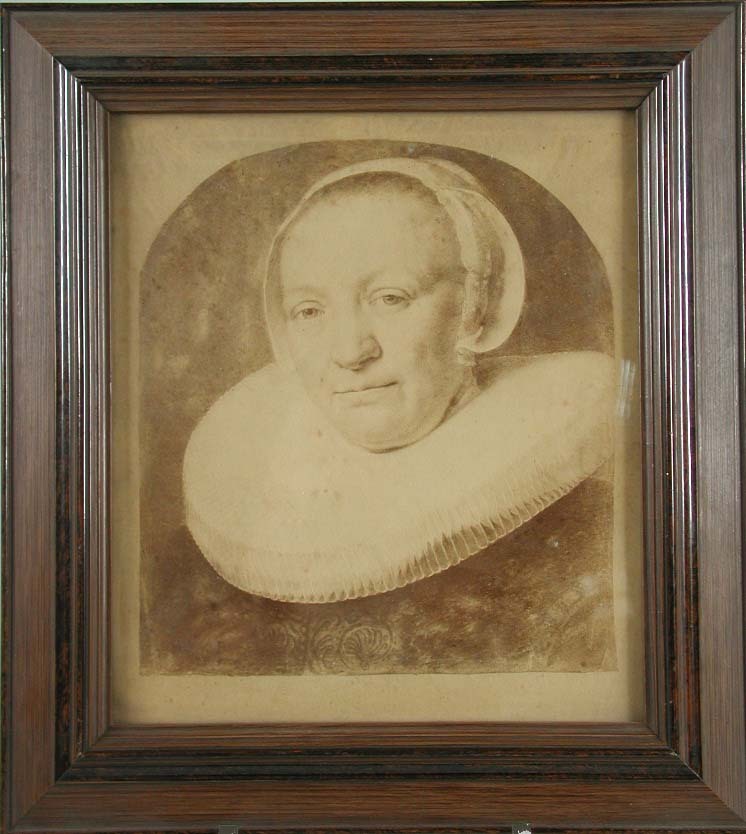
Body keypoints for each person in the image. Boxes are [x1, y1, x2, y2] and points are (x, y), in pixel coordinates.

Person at [183, 157, 614, 604]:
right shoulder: (205, 557)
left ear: (476, 306)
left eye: (390, 298)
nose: (350, 353)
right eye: (309, 311)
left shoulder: (588, 539)